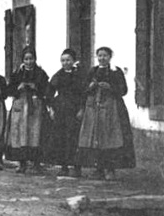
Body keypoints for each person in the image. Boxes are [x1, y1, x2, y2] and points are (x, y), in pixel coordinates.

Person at [76, 47, 136, 180]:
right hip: (94, 110)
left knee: (111, 138)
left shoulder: (116, 71)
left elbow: (123, 90)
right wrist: (90, 87)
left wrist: (110, 88)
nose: (102, 58)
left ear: (110, 57)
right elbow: (83, 89)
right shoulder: (93, 71)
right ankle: (98, 169)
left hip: (112, 109)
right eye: (100, 56)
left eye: (105, 56)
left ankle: (110, 169)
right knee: (96, 138)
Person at [5, 46, 49, 174]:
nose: (29, 62)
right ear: (22, 60)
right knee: (20, 134)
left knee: (35, 134)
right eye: (26, 59)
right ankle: (22, 163)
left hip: (35, 107)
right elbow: (9, 90)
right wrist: (18, 88)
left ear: (35, 59)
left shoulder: (41, 74)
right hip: (20, 106)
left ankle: (36, 164)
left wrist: (36, 88)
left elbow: (47, 90)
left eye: (31, 59)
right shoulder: (16, 74)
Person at [44, 49, 86, 177]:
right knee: (61, 137)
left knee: (74, 137)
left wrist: (81, 109)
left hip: (74, 108)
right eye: (63, 60)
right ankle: (63, 166)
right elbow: (49, 93)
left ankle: (77, 167)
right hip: (61, 109)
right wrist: (51, 108)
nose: (65, 63)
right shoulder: (58, 75)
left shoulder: (80, 75)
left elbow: (84, 93)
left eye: (68, 60)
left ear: (73, 61)